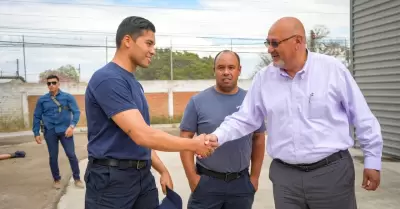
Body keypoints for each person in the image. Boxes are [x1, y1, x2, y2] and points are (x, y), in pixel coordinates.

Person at [206, 17, 383, 209]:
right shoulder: (264, 78)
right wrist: (218, 136)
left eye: (275, 43)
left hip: (331, 174)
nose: (269, 49)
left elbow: (362, 116)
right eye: (268, 43)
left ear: (297, 41)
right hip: (286, 180)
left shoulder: (332, 70)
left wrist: (372, 160)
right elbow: (245, 118)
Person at [84, 16, 217, 209]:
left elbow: (142, 141)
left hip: (141, 176)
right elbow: (143, 135)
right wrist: (193, 145)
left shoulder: (134, 84)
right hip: (111, 182)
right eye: (148, 43)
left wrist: (162, 170)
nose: (153, 51)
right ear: (127, 41)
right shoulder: (108, 79)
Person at [179, 50, 266, 209]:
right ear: (214, 70)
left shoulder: (251, 102)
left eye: (231, 67)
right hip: (207, 183)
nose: (226, 72)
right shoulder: (198, 101)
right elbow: (185, 140)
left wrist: (254, 178)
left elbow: (259, 138)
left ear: (239, 70)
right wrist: (193, 178)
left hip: (241, 184)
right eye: (221, 67)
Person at [32, 74, 83, 189]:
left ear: (58, 84)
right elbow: (36, 116)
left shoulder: (68, 97)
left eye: (54, 83)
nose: (51, 85)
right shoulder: (42, 100)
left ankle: (77, 178)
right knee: (53, 157)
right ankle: (56, 180)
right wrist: (36, 132)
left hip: (65, 131)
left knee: (71, 154)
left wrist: (72, 126)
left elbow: (76, 112)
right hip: (50, 131)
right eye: (49, 83)